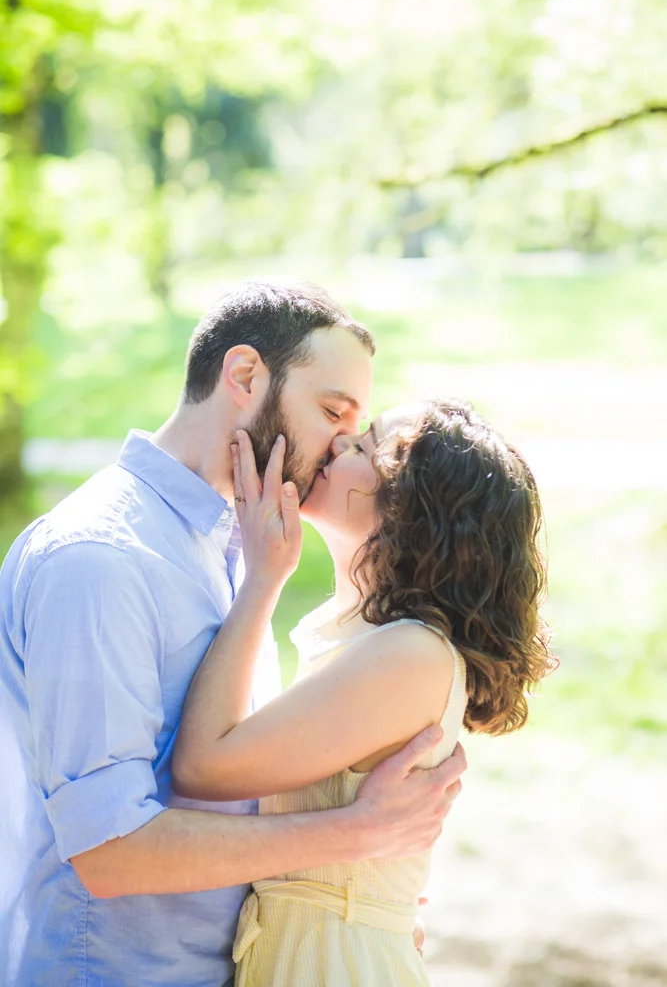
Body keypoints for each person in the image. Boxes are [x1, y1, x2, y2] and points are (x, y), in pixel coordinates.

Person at [0, 280, 467, 987]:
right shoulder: (98, 559)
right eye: (331, 411)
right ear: (245, 376)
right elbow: (109, 851)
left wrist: (347, 902)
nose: (342, 443)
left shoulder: (232, 548)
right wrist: (355, 834)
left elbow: (231, 794)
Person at [172, 397, 554, 986]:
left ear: (413, 507)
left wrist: (265, 578)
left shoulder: (412, 654)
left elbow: (203, 765)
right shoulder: (363, 639)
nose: (340, 442)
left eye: (366, 445)